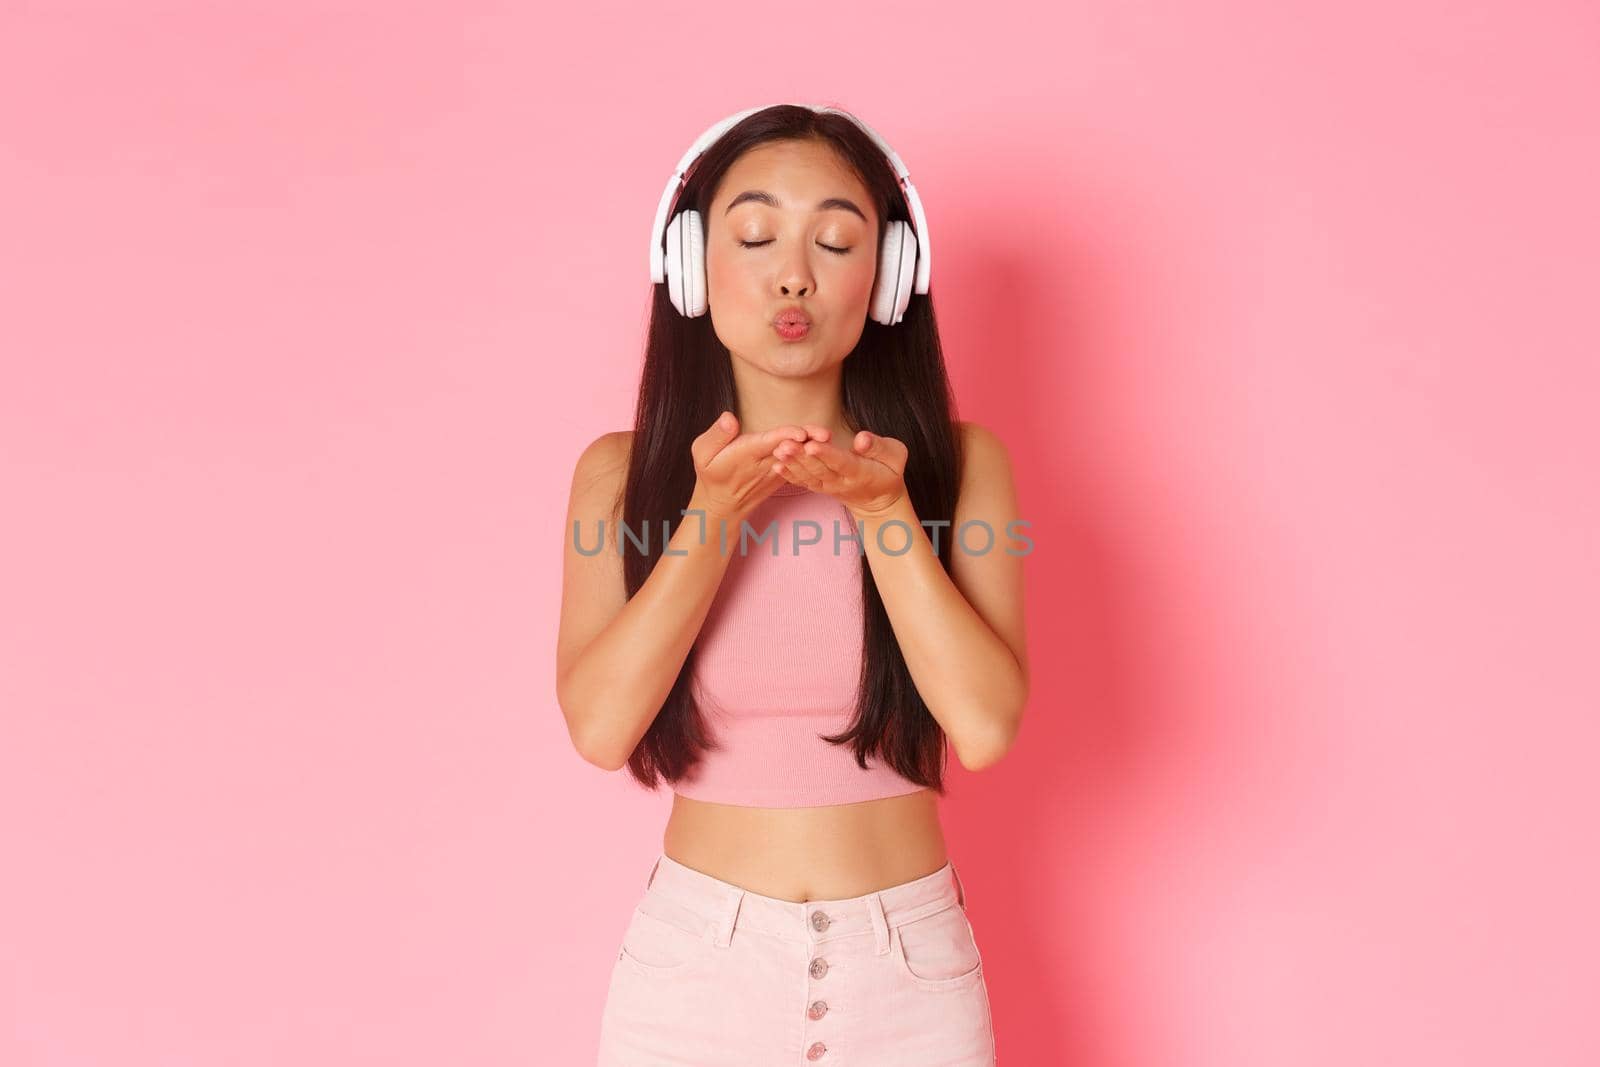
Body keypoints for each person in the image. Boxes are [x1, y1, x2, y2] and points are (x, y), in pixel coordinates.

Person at [557, 102, 1029, 1065]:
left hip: (911, 979)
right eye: (758, 233)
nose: (794, 272)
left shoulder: (956, 467)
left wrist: (888, 514)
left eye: (838, 240)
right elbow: (601, 728)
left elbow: (983, 728)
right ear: (692, 265)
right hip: (694, 980)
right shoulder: (619, 475)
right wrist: (712, 518)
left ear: (890, 278)